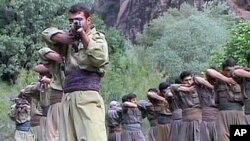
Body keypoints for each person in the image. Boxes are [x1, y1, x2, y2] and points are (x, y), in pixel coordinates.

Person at [42, 3, 109, 141]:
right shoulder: (68, 42)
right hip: (67, 97)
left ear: (89, 20)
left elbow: (100, 58)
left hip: (87, 94)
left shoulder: (97, 38)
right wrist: (67, 39)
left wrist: (82, 35)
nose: (74, 23)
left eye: (79, 19)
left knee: (93, 137)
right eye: (71, 21)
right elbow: (46, 33)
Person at [207, 58, 246, 141]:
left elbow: (241, 72)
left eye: (232, 71)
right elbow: (209, 71)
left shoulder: (240, 78)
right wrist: (226, 79)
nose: (229, 73)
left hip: (238, 114)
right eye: (227, 70)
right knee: (222, 138)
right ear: (223, 70)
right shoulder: (218, 79)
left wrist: (238, 69)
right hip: (222, 115)